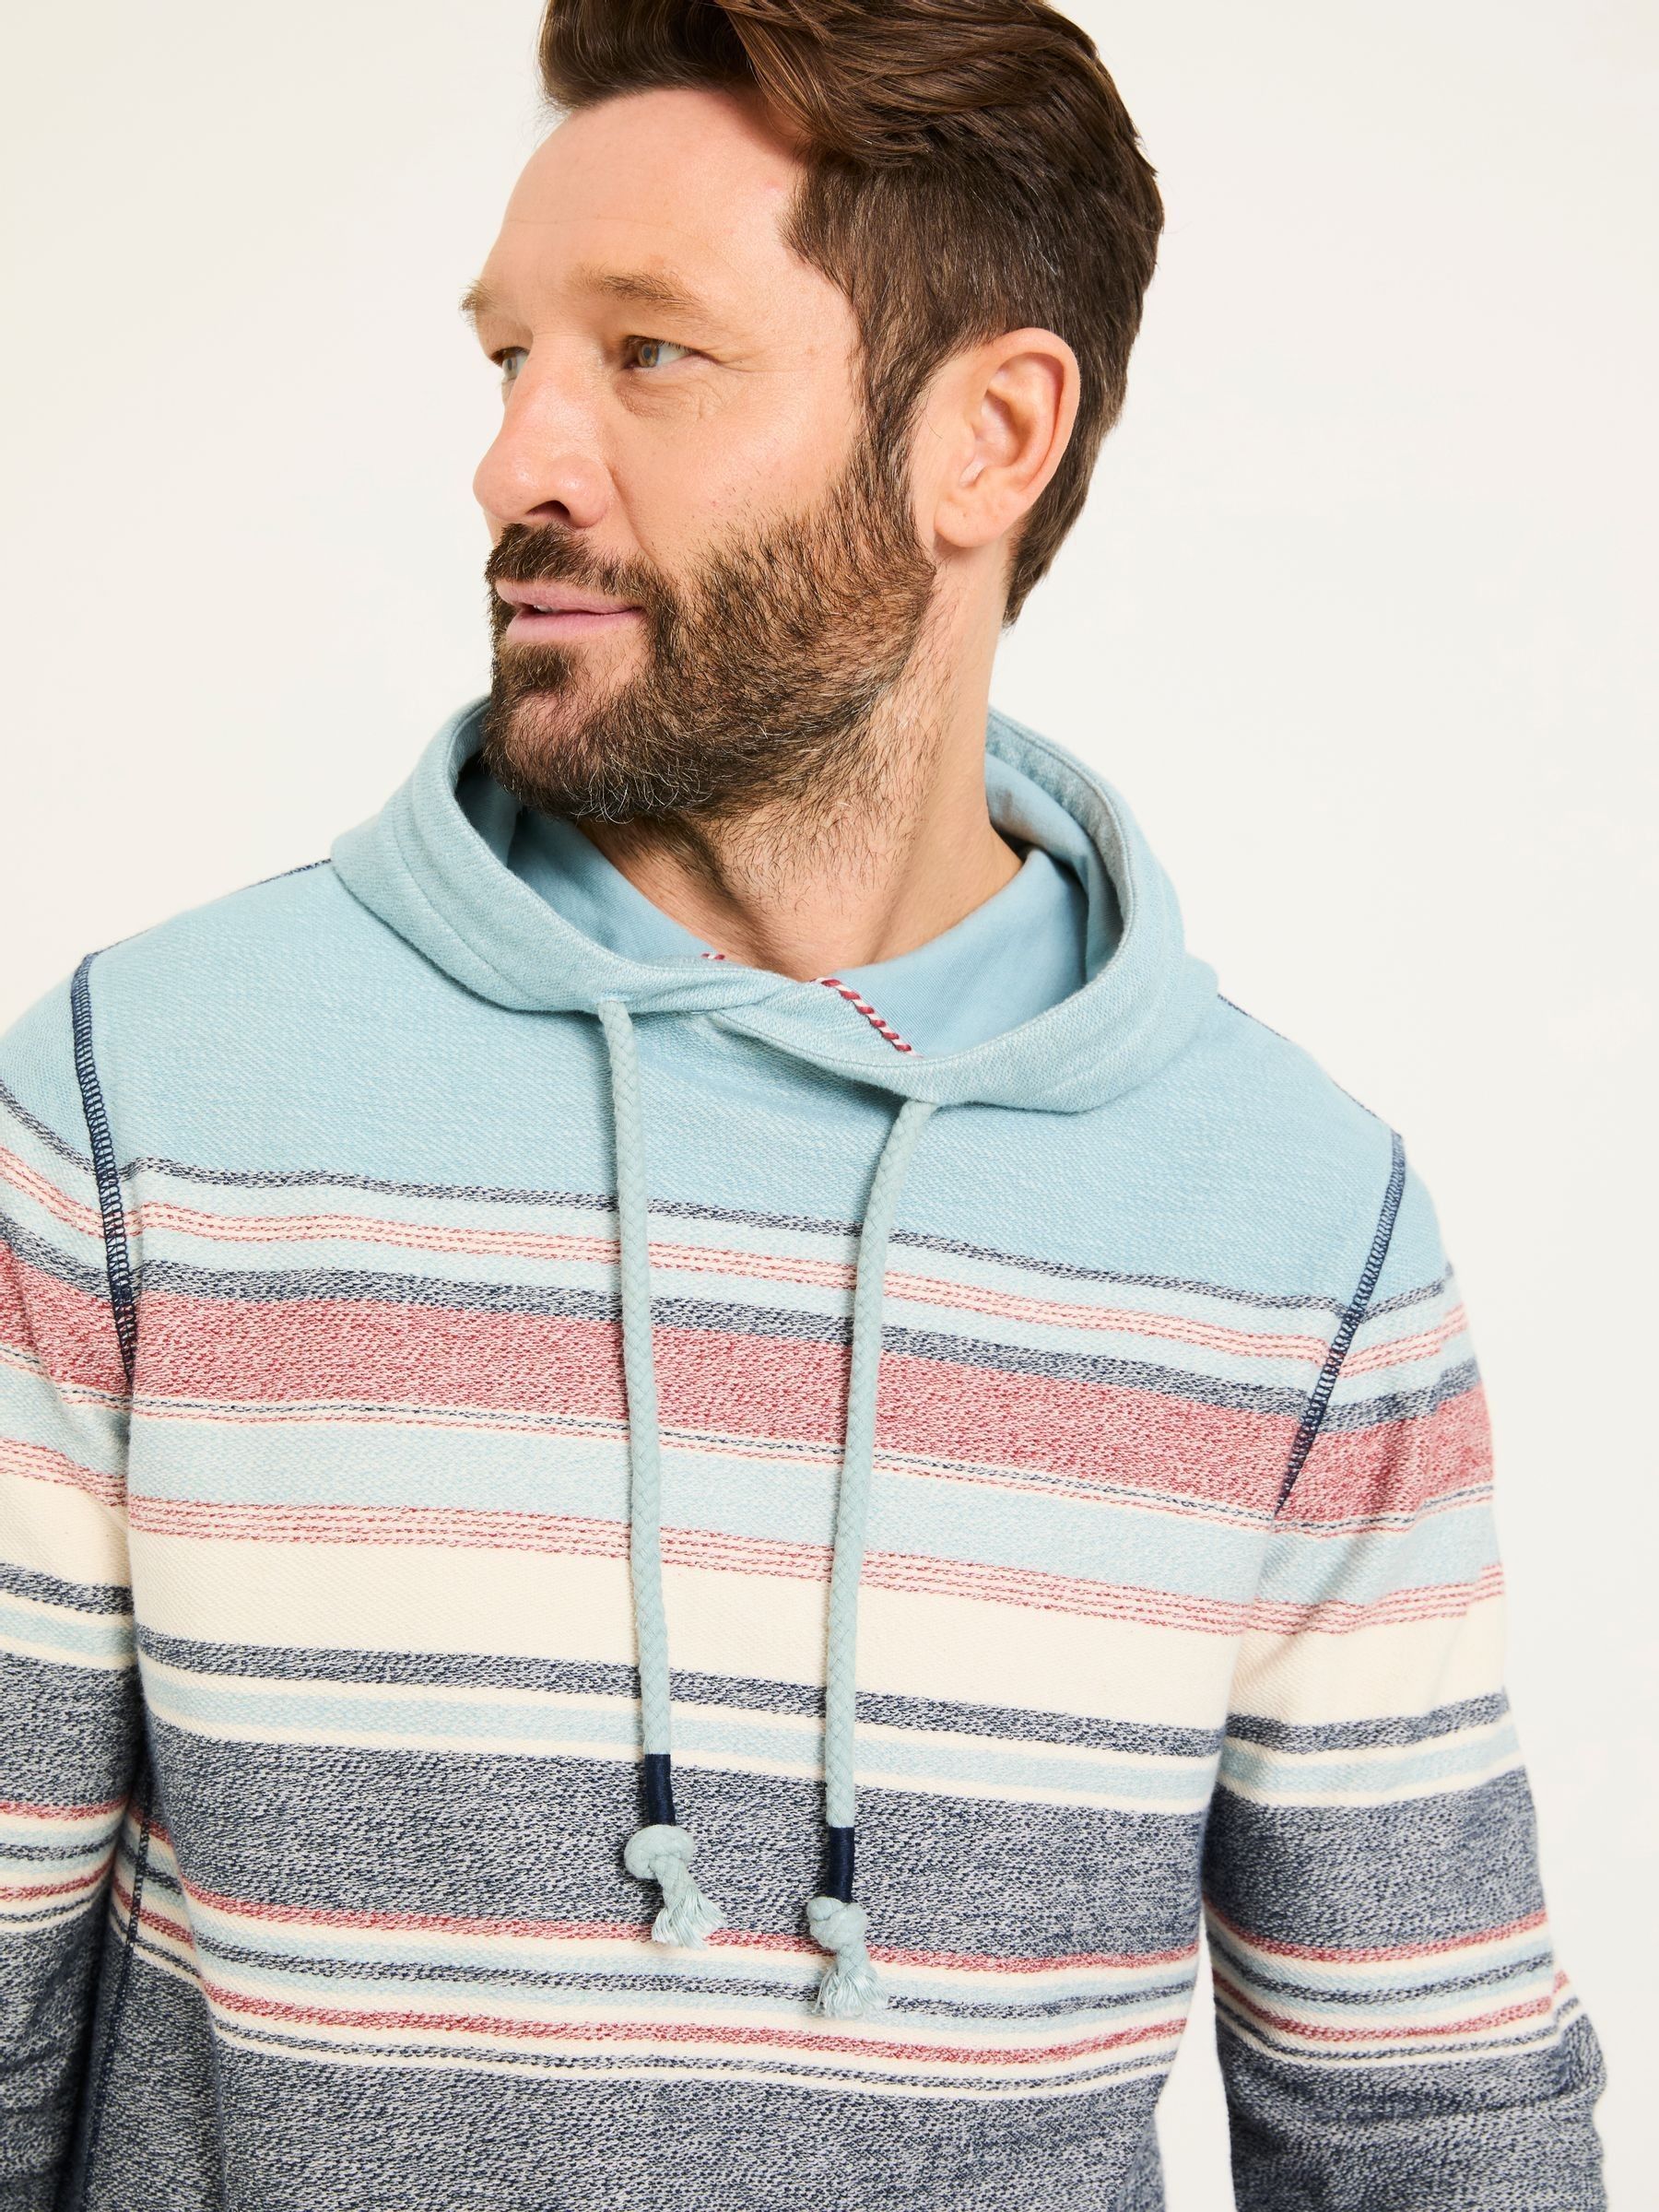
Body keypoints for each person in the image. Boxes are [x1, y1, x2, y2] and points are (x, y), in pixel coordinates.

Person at [0, 2, 1608, 2206]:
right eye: (511, 358)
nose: (516, 460)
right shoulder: (145, 1105)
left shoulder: (1301, 1230)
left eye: (649, 353)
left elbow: (1426, 2124)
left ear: (988, 439)